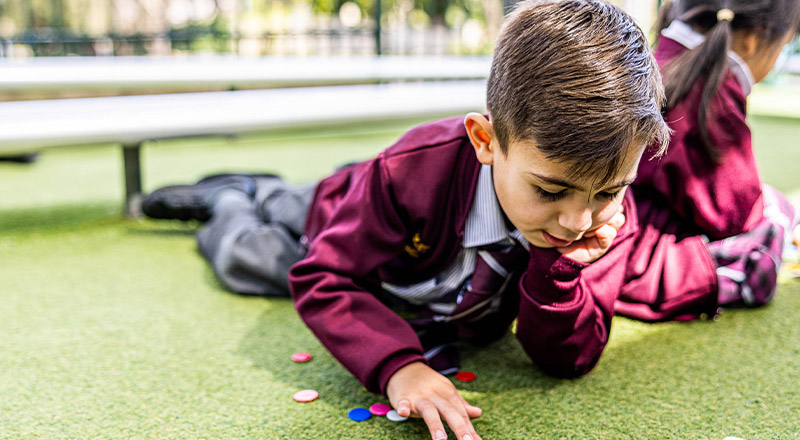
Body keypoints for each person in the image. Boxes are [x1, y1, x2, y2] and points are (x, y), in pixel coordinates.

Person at [142, 1, 669, 439]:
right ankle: (234, 199)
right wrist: (399, 365)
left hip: (389, 230)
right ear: (486, 141)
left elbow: (568, 358)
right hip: (339, 207)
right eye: (550, 190)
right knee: (249, 257)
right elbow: (324, 276)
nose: (578, 219)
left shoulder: (605, 216)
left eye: (608, 190)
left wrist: (557, 270)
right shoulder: (413, 170)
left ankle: (261, 190)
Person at [617, 0, 800, 322]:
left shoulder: (661, 57)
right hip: (639, 252)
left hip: (617, 221)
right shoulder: (709, 87)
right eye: (783, 47)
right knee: (773, 221)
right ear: (754, 38)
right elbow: (733, 214)